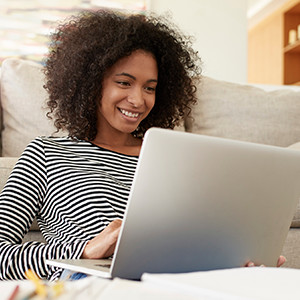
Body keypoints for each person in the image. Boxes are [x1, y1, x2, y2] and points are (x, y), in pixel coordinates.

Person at [0, 9, 285, 281]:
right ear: (89, 83)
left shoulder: (173, 159)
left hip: (177, 278)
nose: (139, 100)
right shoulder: (46, 154)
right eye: (124, 83)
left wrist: (237, 260)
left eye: (150, 87)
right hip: (94, 280)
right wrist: (85, 250)